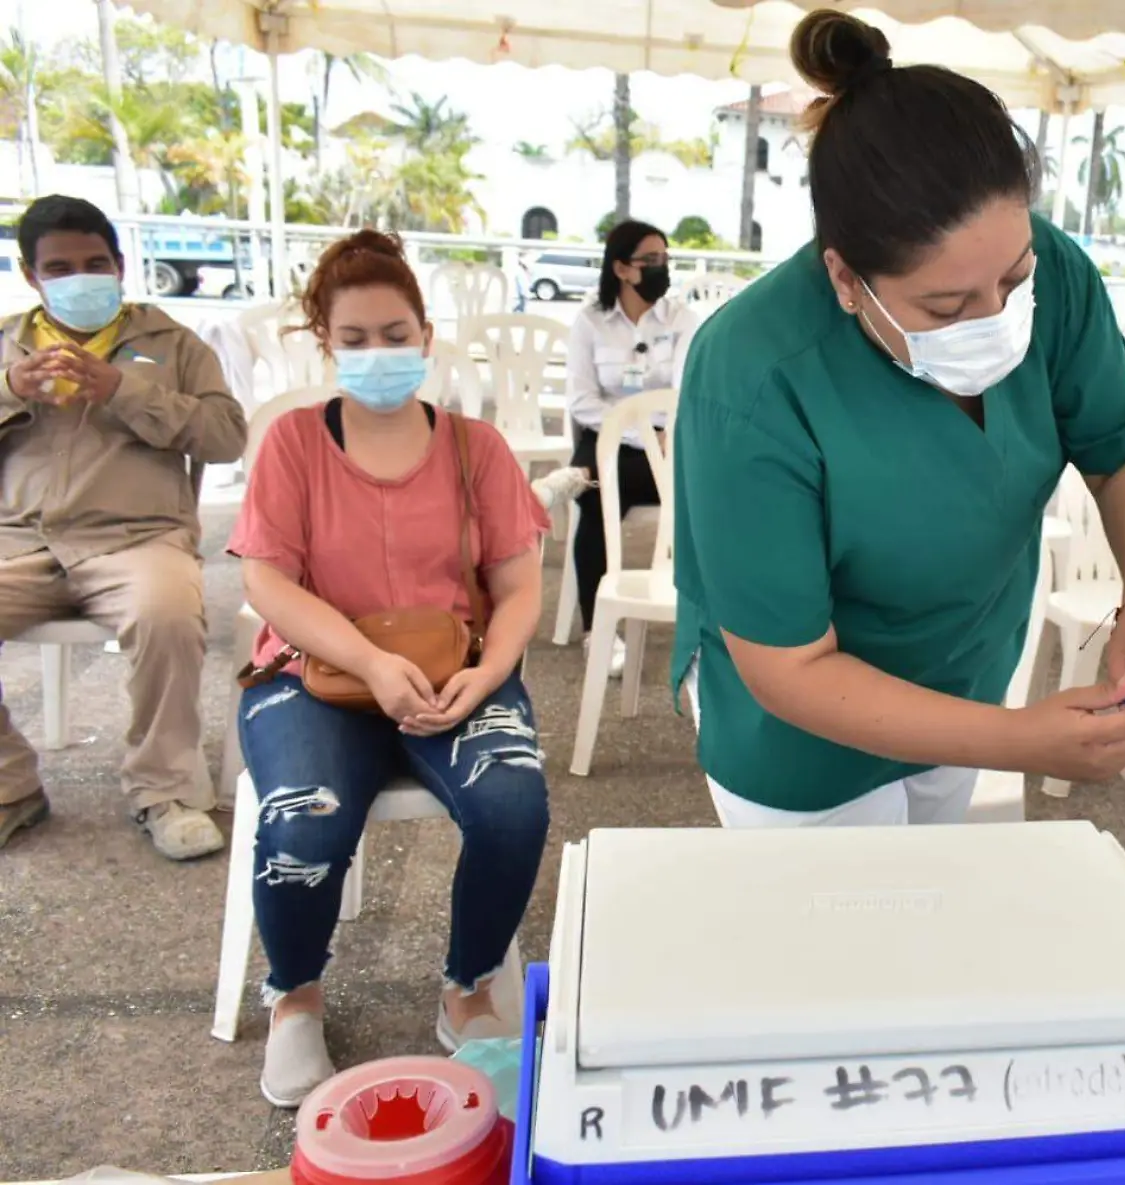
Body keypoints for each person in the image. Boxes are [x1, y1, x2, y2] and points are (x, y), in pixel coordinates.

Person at [670, 8, 1125, 829]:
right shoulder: (751, 374)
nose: (997, 317)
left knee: (929, 915)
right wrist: (1020, 739)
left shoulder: (1054, 276)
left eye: (1012, 279)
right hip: (800, 746)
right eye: (946, 306)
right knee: (844, 943)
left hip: (968, 684)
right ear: (846, 279)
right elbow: (791, 667)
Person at [227, 229, 552, 1107]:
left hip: (456, 670)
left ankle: (471, 980)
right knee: (305, 822)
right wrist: (368, 661)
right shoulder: (294, 443)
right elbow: (266, 580)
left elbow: (518, 586)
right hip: (313, 676)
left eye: (396, 332)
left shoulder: (475, 447)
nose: (380, 353)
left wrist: (487, 679)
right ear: (326, 343)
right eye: (357, 338)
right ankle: (294, 992)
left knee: (513, 801)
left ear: (426, 336)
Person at [0, 194, 246, 858]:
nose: (81, 278)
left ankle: (163, 788)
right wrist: (10, 388)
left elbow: (227, 436)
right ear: (31, 275)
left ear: (120, 264)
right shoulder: (8, 344)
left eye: (95, 263)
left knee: (166, 614)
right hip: (22, 540)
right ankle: (9, 785)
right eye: (61, 267)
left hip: (139, 538)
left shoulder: (172, 344)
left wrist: (122, 389)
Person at [565, 219, 700, 675]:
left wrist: (665, 430)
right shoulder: (590, 322)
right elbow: (582, 402)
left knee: (709, 498)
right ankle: (596, 630)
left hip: (670, 443)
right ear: (622, 268)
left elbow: (686, 389)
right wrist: (634, 429)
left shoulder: (682, 319)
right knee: (594, 495)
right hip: (612, 441)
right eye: (651, 260)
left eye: (666, 258)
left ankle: (711, 622)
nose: (662, 268)